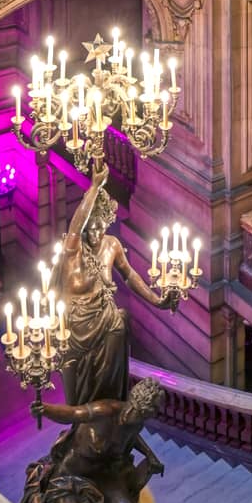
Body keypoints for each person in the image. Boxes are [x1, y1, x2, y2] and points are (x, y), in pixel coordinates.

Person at [54, 165, 177, 407]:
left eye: (101, 226)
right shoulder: (73, 251)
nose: (96, 233)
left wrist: (158, 300)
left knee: (120, 329)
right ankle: (83, 420)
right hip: (76, 326)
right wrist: (94, 187)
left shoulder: (112, 245)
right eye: (91, 227)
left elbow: (130, 276)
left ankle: (111, 410)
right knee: (78, 397)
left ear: (108, 222)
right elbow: (76, 226)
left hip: (107, 321)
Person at [16, 378, 165, 503]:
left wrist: (150, 456)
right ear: (140, 403)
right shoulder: (105, 410)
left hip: (101, 479)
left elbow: (132, 437)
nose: (154, 414)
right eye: (153, 409)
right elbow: (72, 414)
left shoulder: (136, 423)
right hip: (67, 481)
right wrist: (45, 409)